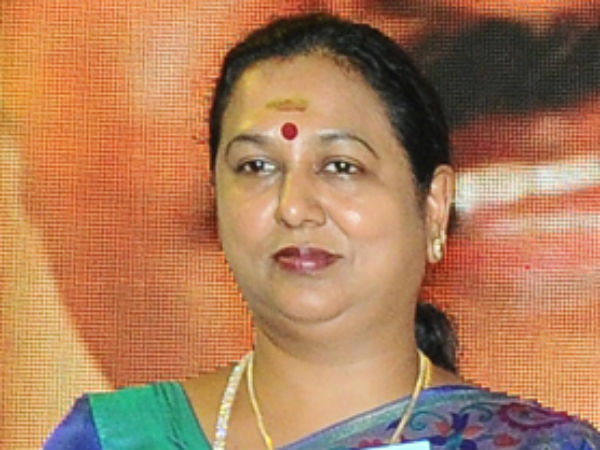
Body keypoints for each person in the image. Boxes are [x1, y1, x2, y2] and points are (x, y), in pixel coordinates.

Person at [44, 13, 600, 450]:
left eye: (341, 166)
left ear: (433, 207)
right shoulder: (114, 439)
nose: (295, 208)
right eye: (256, 167)